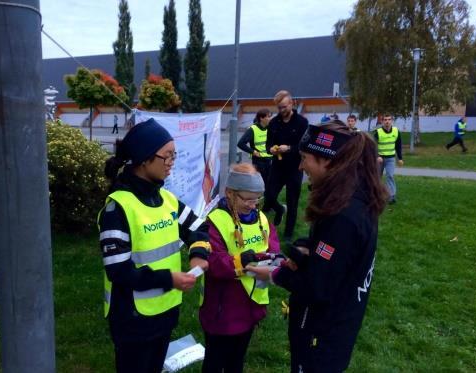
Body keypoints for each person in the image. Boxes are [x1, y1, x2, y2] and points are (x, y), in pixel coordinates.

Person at [247, 121, 389, 372]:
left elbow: (317, 287)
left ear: (327, 161)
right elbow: (332, 253)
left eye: (305, 158)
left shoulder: (343, 215)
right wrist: (304, 249)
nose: (301, 166)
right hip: (336, 327)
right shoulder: (353, 196)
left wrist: (276, 274)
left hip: (321, 337)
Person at [98, 118, 210, 373]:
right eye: (167, 156)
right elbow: (119, 272)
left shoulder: (167, 199)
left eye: (174, 155)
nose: (172, 162)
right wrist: (169, 279)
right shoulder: (118, 209)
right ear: (144, 159)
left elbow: (200, 228)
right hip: (132, 320)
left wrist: (198, 253)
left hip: (165, 313)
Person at [199, 163, 282, 373]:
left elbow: (273, 249)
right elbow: (215, 263)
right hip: (222, 309)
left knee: (237, 360)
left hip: (250, 306)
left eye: (257, 199)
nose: (253, 205)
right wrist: (244, 262)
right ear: (229, 193)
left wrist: (273, 260)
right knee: (215, 362)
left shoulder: (262, 219)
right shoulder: (215, 222)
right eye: (247, 199)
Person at [265, 90, 308, 241]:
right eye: (279, 108)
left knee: (293, 201)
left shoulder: (302, 122)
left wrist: (289, 148)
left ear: (291, 103)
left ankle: (288, 235)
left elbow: (304, 146)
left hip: (295, 168)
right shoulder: (274, 122)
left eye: (284, 107)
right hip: (277, 166)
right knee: (269, 196)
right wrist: (271, 149)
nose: (281, 110)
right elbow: (268, 144)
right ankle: (279, 210)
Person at [237, 108, 273, 187]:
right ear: (261, 118)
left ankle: (267, 199)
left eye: (271, 116)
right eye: (268, 116)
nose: (271, 118)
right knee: (260, 184)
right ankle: (259, 198)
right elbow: (240, 143)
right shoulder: (253, 129)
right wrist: (253, 152)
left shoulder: (270, 127)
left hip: (270, 160)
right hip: (259, 161)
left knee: (270, 184)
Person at [373, 114, 403, 204]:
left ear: (392, 121)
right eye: (385, 120)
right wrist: (377, 156)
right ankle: (375, 195)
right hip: (380, 159)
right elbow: (373, 145)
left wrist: (400, 158)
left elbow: (398, 146)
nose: (387, 121)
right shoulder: (378, 132)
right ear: (382, 122)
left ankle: (392, 196)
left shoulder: (396, 131)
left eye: (389, 119)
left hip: (391, 158)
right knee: (377, 177)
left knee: (390, 176)